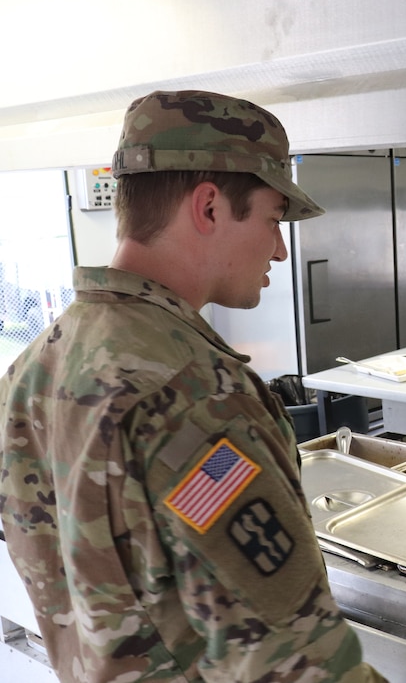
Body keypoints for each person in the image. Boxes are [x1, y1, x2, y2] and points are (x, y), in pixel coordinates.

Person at [0, 90, 386, 682]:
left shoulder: (37, 365)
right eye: (272, 219)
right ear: (208, 207)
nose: (280, 250)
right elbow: (295, 662)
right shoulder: (193, 400)